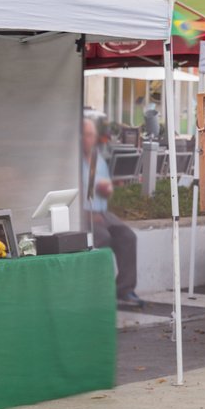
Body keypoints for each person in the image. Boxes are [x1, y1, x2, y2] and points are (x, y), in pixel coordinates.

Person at [82, 116, 142, 308]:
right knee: (103, 238)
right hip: (82, 212)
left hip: (101, 210)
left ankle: (124, 289)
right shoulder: (72, 160)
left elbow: (106, 187)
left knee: (127, 236)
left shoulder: (97, 159)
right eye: (85, 135)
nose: (88, 139)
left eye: (91, 135)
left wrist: (108, 189)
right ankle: (99, 290)